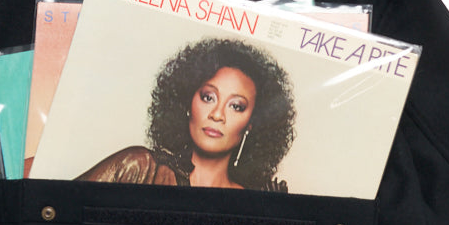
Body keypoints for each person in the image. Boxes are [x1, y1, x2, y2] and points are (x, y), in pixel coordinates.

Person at [77, 37, 296, 191]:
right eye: (208, 97)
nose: (217, 115)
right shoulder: (140, 169)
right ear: (188, 102)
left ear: (251, 123)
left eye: (236, 106)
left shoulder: (253, 202)